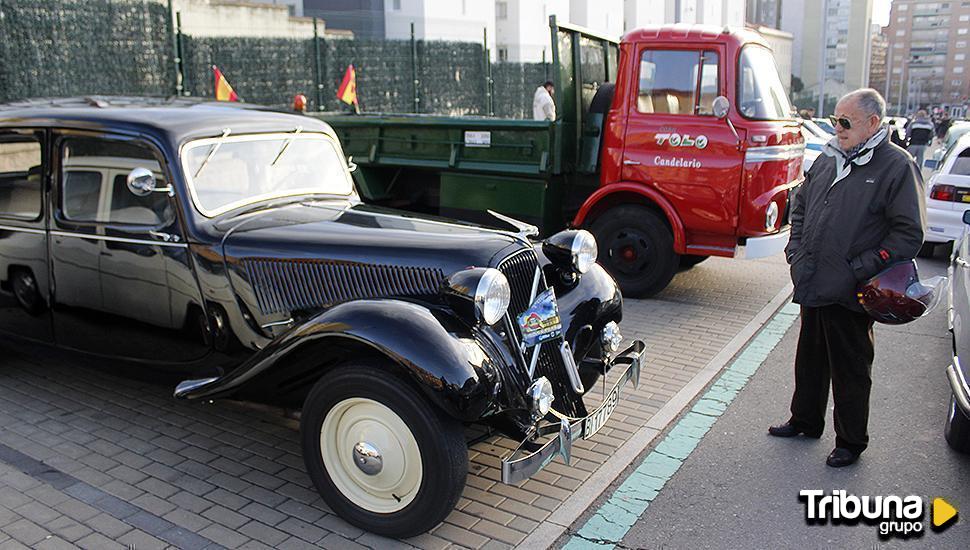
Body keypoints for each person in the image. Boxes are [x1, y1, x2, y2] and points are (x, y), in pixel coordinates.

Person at [769, 89, 925, 468]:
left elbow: (908, 234)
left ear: (873, 123)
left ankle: (851, 441)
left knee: (851, 366)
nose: (837, 128)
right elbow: (801, 204)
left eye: (845, 121)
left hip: (854, 289)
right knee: (810, 356)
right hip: (813, 277)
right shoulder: (828, 159)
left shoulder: (896, 166)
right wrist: (796, 251)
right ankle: (805, 420)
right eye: (836, 120)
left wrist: (860, 268)